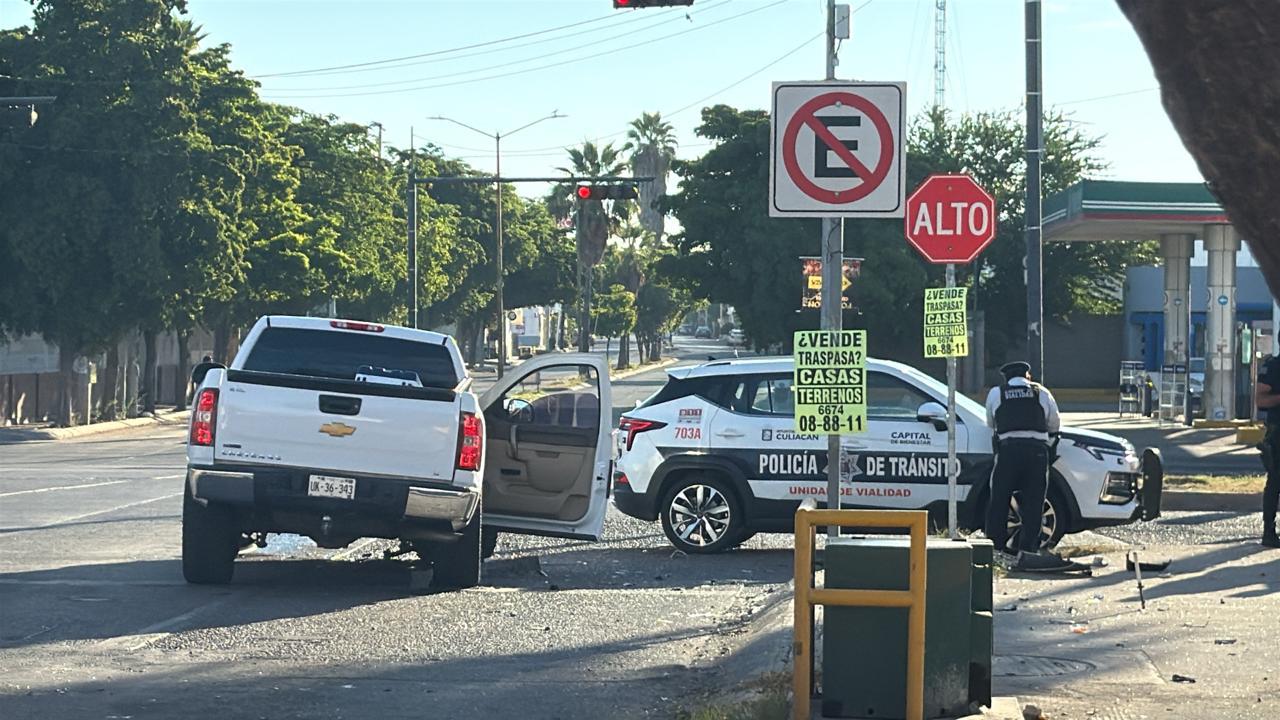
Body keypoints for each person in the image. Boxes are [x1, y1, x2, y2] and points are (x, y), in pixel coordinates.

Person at [984, 361, 1062, 565]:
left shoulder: (997, 393)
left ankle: (996, 549)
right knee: (1034, 503)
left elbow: (990, 423)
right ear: (1027, 375)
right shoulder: (1041, 393)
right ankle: (1029, 551)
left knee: (999, 500)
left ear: (1006, 378)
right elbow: (1054, 423)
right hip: (1036, 453)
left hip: (1008, 451)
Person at [1252, 353, 1280, 548]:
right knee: (1276, 482)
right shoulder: (1273, 367)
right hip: (1278, 431)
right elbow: (1261, 400)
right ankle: (1268, 532)